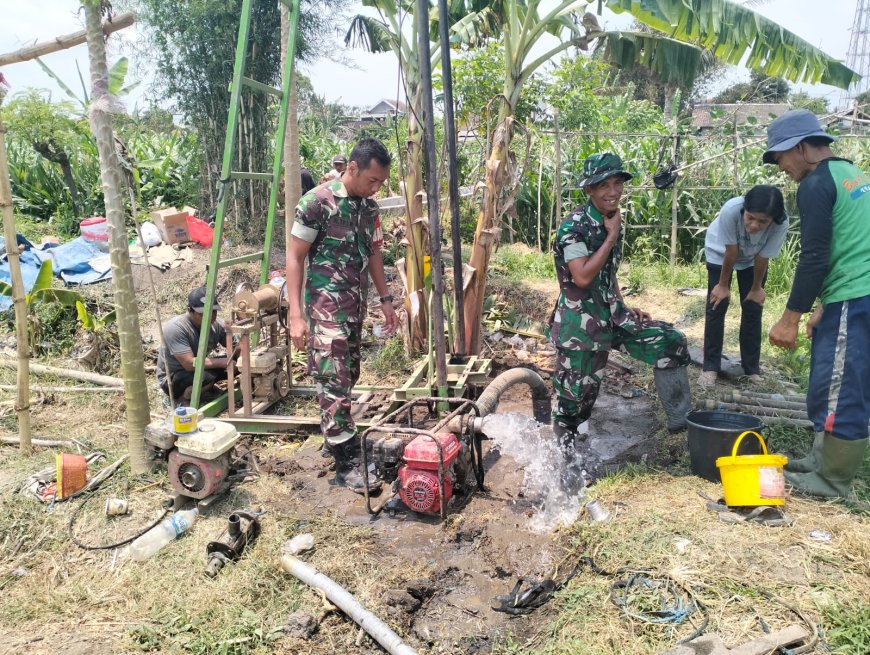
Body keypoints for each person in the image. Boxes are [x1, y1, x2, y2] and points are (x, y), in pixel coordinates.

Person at [547, 153, 692, 451]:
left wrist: (622, 304)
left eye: (617, 184)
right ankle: (564, 467)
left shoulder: (609, 219)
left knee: (670, 342)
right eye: (604, 185)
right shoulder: (573, 228)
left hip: (613, 316)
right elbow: (583, 277)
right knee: (574, 404)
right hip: (581, 327)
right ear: (589, 189)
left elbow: (607, 272)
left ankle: (682, 424)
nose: (613, 192)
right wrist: (611, 237)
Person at [764, 109, 870, 499]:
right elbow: (854, 242)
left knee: (844, 385)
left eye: (781, 157)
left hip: (857, 295)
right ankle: (821, 460)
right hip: (851, 293)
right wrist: (824, 304)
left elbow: (814, 255)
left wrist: (790, 318)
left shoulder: (814, 184)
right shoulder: (850, 174)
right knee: (832, 379)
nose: (781, 168)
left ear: (803, 148)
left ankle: (832, 480)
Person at [286, 138, 399, 493]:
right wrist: (296, 315)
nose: (376, 187)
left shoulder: (369, 209)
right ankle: (346, 463)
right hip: (325, 310)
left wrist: (385, 299)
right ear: (352, 168)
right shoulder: (316, 203)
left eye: (381, 182)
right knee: (333, 379)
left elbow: (376, 255)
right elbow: (294, 257)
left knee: (349, 374)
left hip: (354, 309)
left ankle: (333, 434)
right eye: (372, 180)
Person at [699, 185, 789, 387]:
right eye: (750, 218)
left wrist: (757, 288)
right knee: (716, 305)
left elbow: (763, 256)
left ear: (772, 220)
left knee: (753, 307)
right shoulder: (731, 209)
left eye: (762, 221)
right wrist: (722, 285)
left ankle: (752, 369)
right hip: (719, 252)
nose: (754, 225)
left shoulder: (781, 223)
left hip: (751, 258)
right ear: (744, 210)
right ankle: (710, 367)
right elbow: (730, 251)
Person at [156, 286, 232, 404]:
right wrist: (223, 362)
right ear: (190, 311)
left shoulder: (217, 324)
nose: (210, 317)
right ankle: (182, 399)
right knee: (206, 377)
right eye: (203, 314)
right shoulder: (176, 328)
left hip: (198, 368)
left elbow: (235, 347)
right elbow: (189, 364)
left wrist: (232, 334)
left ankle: (204, 388)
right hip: (174, 377)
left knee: (236, 364)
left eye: (213, 311)